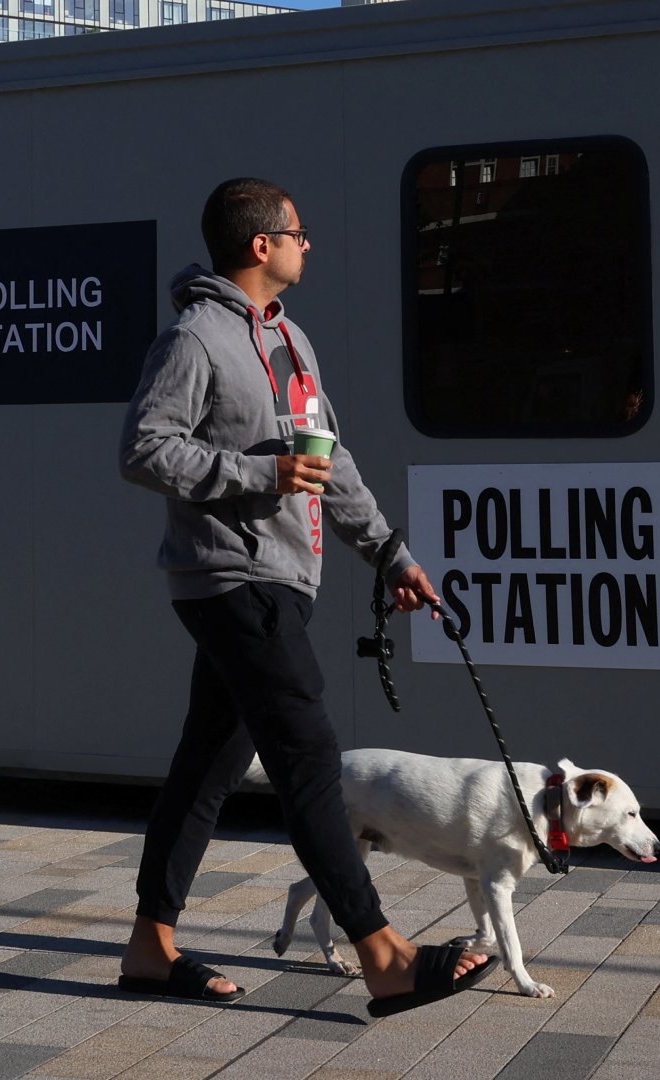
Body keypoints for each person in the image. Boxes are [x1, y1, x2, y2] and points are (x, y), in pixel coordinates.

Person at [117, 177, 497, 1017]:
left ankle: (151, 945)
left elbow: (331, 461)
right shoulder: (195, 338)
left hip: (288, 576)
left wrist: (389, 551)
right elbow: (144, 450)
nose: (306, 244)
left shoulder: (293, 342)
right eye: (297, 232)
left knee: (208, 763)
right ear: (262, 245)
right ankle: (384, 952)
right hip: (228, 576)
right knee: (308, 753)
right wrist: (259, 472)